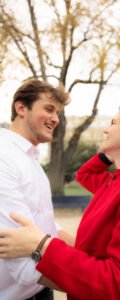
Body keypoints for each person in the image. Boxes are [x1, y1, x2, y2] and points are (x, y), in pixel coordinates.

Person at [0, 106, 120, 300]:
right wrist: (108, 153)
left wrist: (42, 246)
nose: (105, 130)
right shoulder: (113, 180)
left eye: (113, 123)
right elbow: (84, 174)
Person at [0, 79, 69, 300]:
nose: (55, 119)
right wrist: (103, 282)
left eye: (57, 112)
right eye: (49, 109)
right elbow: (18, 256)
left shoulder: (30, 159)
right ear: (21, 108)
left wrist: (94, 252)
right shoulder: (3, 156)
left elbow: (45, 224)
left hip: (42, 289)